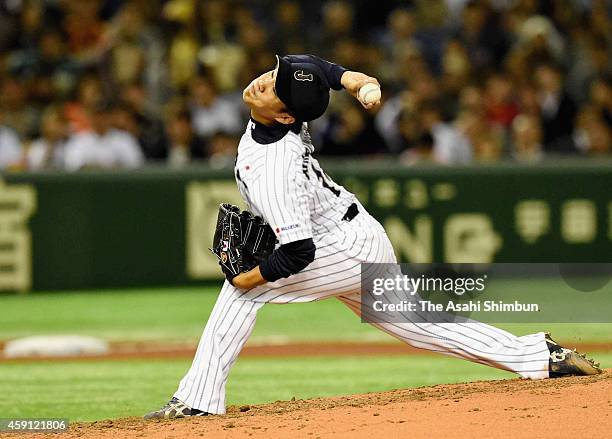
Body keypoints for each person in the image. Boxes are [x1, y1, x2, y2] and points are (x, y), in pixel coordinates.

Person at [144, 54, 601, 419]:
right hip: (355, 231)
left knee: (242, 292)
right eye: (272, 74)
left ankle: (198, 400)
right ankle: (539, 356)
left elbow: (298, 252)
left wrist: (252, 278)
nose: (262, 82)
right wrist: (357, 80)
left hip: (337, 247)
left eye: (275, 88)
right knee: (417, 326)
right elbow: (314, 67)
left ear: (285, 116)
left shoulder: (273, 167)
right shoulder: (286, 111)